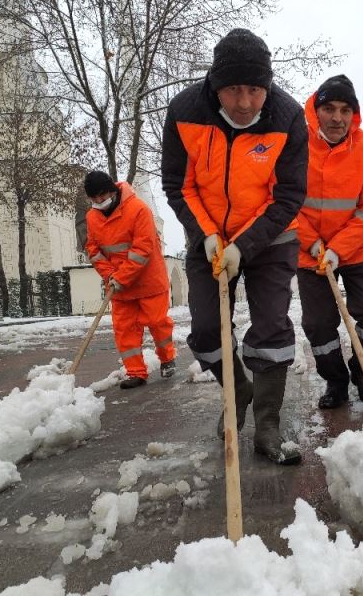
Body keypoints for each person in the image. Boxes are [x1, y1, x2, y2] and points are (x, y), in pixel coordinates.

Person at [161, 28, 307, 465]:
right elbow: (177, 185)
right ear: (214, 84)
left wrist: (244, 245)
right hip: (208, 236)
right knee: (206, 332)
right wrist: (206, 234)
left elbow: (289, 195)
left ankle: (268, 424)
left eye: (255, 90)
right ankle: (237, 389)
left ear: (268, 86)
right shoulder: (186, 111)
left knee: (271, 326)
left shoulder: (288, 117)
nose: (244, 103)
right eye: (233, 90)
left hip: (270, 236)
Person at [296, 75, 363, 409]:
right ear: (316, 110)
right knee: (318, 324)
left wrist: (338, 248)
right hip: (309, 252)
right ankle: (335, 381)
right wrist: (314, 245)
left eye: (345, 110)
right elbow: (285, 201)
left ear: (354, 113)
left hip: (358, 247)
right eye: (329, 108)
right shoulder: (296, 144)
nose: (337, 117)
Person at [83, 170, 176, 389]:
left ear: (112, 191)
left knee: (157, 324)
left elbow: (142, 248)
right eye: (94, 199)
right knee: (125, 330)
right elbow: (93, 250)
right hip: (119, 287)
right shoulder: (92, 217)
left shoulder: (138, 210)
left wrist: (122, 276)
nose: (99, 202)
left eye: (102, 196)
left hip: (149, 281)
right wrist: (109, 275)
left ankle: (167, 358)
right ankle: (135, 372)